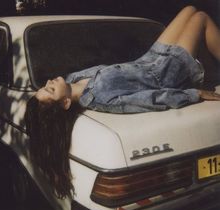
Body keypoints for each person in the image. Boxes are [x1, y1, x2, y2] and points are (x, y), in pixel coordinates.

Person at [25, 6, 220, 198]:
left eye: (45, 85)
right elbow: (149, 99)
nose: (50, 82)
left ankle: (207, 69)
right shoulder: (100, 98)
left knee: (189, 9)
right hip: (166, 73)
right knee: (201, 17)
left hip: (149, 60)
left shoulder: (73, 78)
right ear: (66, 103)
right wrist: (194, 94)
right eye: (51, 89)